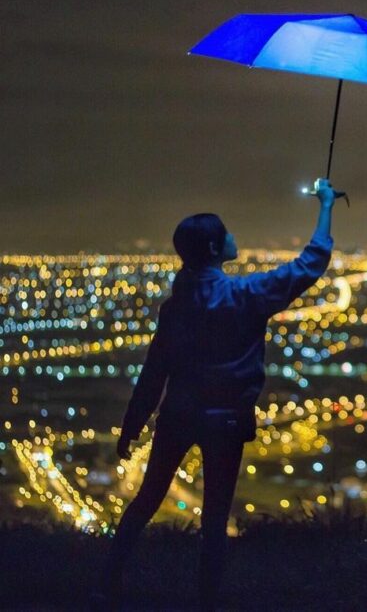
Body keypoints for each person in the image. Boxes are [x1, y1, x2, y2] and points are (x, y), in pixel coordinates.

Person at [90, 179, 344, 610]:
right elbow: (310, 263)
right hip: (225, 419)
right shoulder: (245, 295)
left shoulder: (175, 307)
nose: (233, 237)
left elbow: (155, 373)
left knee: (148, 496)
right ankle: (207, 599)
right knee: (214, 515)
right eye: (226, 234)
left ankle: (107, 582)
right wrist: (325, 206)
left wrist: (132, 426)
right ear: (212, 248)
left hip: (177, 414)